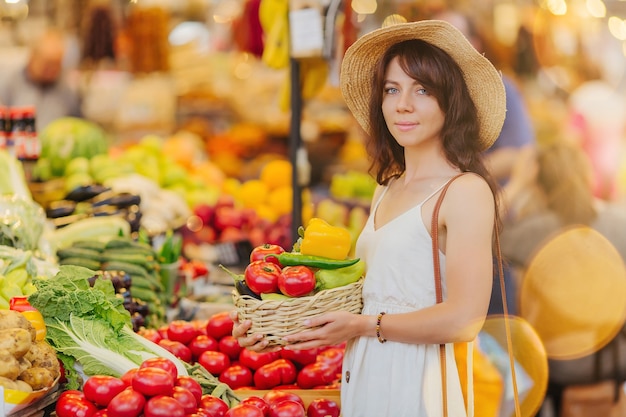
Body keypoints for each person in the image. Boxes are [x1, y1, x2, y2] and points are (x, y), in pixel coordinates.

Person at [233, 19, 507, 416]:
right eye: (392, 90)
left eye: (422, 90)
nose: (403, 105)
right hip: (364, 375)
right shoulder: (387, 188)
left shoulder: (464, 192)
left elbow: (464, 319)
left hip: (419, 385)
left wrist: (365, 327)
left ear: (452, 101)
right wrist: (276, 328)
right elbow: (368, 297)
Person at [431, 9, 537, 316]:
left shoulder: (498, 91)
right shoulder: (424, 96)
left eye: (456, 39)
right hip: (438, 238)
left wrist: (456, 178)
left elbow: (521, 155)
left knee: (489, 337)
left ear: (475, 43)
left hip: (490, 231)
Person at [0, 28, 81, 131]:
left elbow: (79, 124)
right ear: (33, 57)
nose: (52, 70)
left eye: (57, 64)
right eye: (47, 64)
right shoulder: (9, 84)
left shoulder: (67, 91)